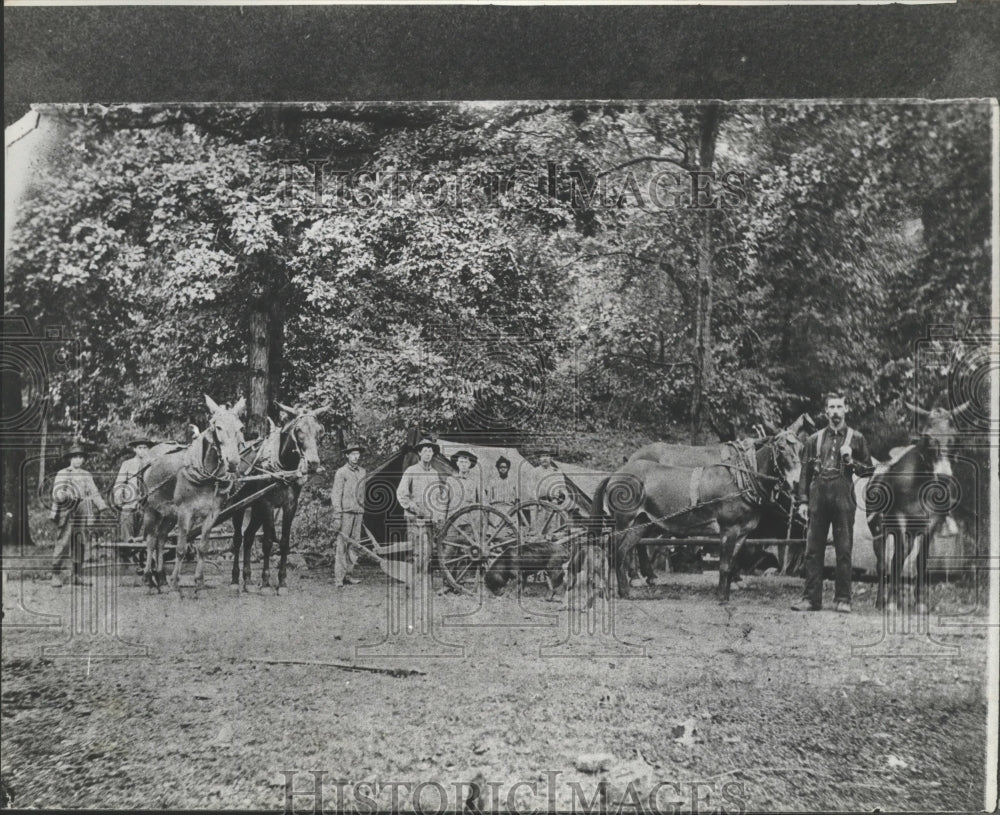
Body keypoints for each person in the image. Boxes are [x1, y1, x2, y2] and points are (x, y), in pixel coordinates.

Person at [791, 393, 875, 613]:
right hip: (818, 498)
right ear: (826, 412)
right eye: (832, 407)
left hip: (843, 499)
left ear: (845, 410)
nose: (836, 411)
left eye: (839, 406)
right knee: (813, 550)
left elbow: (869, 470)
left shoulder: (856, 438)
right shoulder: (814, 440)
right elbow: (805, 473)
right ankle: (811, 599)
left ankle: (843, 600)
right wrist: (802, 501)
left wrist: (851, 461)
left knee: (844, 550)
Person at [49, 442, 108, 587]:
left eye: (80, 457)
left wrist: (102, 507)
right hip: (66, 509)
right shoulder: (63, 473)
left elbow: (94, 492)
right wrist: (63, 495)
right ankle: (55, 574)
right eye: (75, 457)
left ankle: (77, 575)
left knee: (80, 542)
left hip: (82, 509)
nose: (78, 460)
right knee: (63, 541)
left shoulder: (86, 475)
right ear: (70, 458)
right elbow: (56, 493)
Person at [396, 439, 448, 555]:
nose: (428, 454)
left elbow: (437, 497)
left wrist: (438, 515)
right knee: (417, 550)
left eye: (430, 451)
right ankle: (417, 572)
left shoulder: (435, 473)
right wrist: (414, 508)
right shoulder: (411, 470)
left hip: (429, 519)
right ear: (419, 453)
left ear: (433, 454)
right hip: (415, 518)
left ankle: (425, 573)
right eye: (425, 451)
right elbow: (401, 493)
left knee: (428, 551)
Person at [331, 441, 367, 587]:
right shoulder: (341, 472)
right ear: (347, 455)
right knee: (342, 545)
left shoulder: (362, 472)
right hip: (345, 513)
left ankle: (349, 575)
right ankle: (339, 578)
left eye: (357, 454)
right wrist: (337, 515)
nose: (355, 457)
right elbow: (336, 494)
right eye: (352, 454)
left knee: (354, 545)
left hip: (358, 512)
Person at [112, 437, 153, 542]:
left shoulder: (152, 465)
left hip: (147, 504)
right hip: (130, 502)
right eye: (140, 448)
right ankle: (128, 554)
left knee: (144, 532)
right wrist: (119, 500)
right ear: (135, 449)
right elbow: (119, 483)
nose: (143, 450)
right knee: (126, 529)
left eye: (145, 448)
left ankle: (141, 555)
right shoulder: (127, 464)